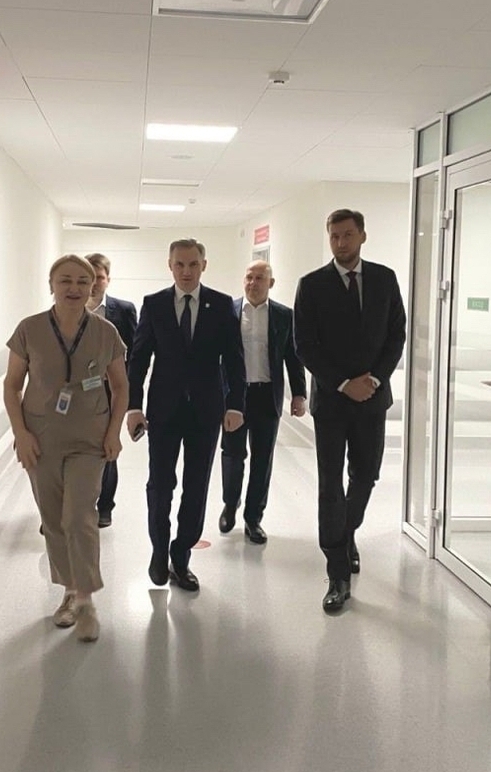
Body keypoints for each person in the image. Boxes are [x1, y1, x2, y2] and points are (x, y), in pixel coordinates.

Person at [3, 254, 129, 642]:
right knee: (54, 519)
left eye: (82, 281)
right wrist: (21, 433)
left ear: (93, 286)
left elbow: (120, 386)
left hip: (89, 439)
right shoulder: (29, 329)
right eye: (65, 280)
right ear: (51, 285)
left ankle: (85, 599)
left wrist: (113, 432)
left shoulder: (106, 332)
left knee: (79, 516)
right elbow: (12, 385)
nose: (74, 288)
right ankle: (69, 590)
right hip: (41, 439)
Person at [293, 209, 406, 613]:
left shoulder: (384, 279)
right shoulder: (312, 284)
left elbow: (396, 335)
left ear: (362, 236)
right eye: (334, 236)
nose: (340, 243)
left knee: (366, 474)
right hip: (331, 400)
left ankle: (345, 531)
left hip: (372, 398)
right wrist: (343, 383)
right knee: (330, 484)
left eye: (347, 235)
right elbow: (304, 345)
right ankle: (337, 572)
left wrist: (373, 379)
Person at [126, 239, 245, 592]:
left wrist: (235, 404)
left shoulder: (221, 305)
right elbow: (138, 359)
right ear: (170, 265)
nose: (186, 271)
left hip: (206, 412)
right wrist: (133, 407)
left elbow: (234, 359)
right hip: (163, 411)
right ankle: (159, 550)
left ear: (204, 265)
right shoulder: (154, 304)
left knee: (196, 486)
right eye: (179, 264)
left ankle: (181, 555)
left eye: (193, 264)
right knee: (160, 484)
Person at [219, 260, 307, 545]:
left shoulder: (284, 315)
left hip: (267, 396)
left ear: (271, 283)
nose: (253, 283)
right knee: (232, 454)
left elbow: (293, 357)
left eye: (259, 278)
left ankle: (253, 518)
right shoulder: (228, 312)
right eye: (249, 277)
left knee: (262, 459)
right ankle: (230, 504)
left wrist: (299, 394)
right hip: (234, 396)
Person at [85, 253, 138, 528]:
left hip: (109, 390)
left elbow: (136, 352)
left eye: (100, 277)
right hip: (77, 393)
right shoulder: (68, 309)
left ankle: (105, 505)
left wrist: (131, 397)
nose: (94, 283)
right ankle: (74, 505)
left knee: (107, 446)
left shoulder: (124, 310)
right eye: (89, 277)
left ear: (108, 279)